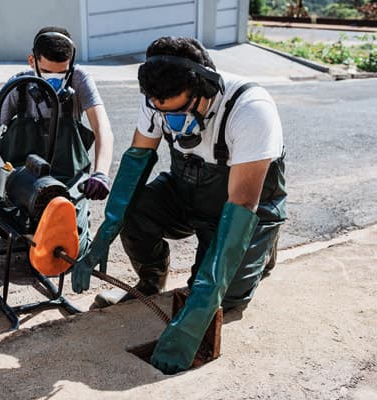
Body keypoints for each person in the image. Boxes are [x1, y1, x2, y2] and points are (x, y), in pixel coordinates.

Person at [70, 37, 286, 373]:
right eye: (160, 110)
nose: (169, 121)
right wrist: (103, 237)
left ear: (205, 88)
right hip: (186, 190)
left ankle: (262, 248)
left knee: (221, 299)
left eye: (178, 111)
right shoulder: (158, 99)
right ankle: (152, 278)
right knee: (135, 212)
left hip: (241, 208)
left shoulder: (250, 108)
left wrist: (191, 322)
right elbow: (135, 165)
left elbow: (242, 202)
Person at [0, 26, 114, 253]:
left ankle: (77, 218)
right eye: (49, 72)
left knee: (68, 251)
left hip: (66, 183)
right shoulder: (18, 86)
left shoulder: (79, 79)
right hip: (23, 183)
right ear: (33, 61)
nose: (56, 79)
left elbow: (103, 129)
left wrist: (101, 174)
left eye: (63, 73)